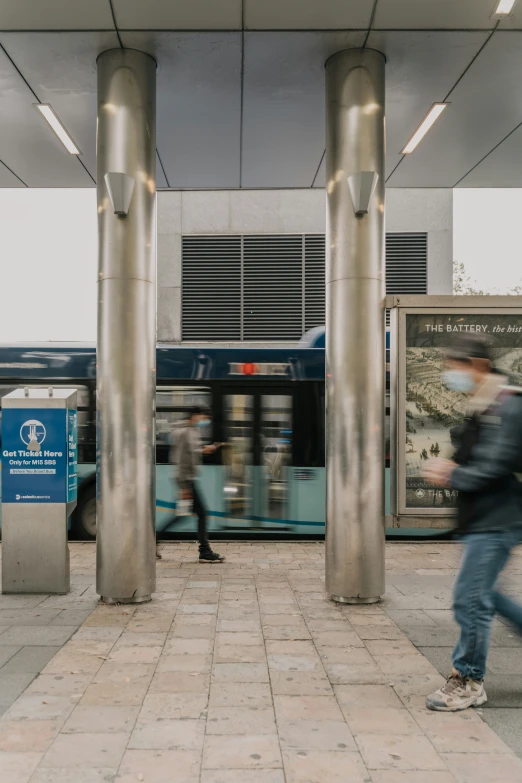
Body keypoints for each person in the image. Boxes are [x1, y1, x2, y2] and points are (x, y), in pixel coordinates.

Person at [424, 333, 522, 711]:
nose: (452, 375)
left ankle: (469, 680)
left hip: (496, 520)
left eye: (455, 367)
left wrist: (452, 474)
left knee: (470, 600)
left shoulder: (506, 406)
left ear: (478, 366)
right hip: (483, 519)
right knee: (486, 595)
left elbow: (496, 465)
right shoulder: (483, 405)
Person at [173, 405, 225, 563]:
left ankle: (155, 538)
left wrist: (206, 449)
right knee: (202, 513)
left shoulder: (192, 430)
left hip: (188, 479)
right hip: (186, 479)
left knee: (183, 515)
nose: (205, 421)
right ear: (195, 416)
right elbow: (180, 458)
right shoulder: (184, 432)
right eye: (203, 417)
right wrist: (184, 486)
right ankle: (204, 551)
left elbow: (192, 451)